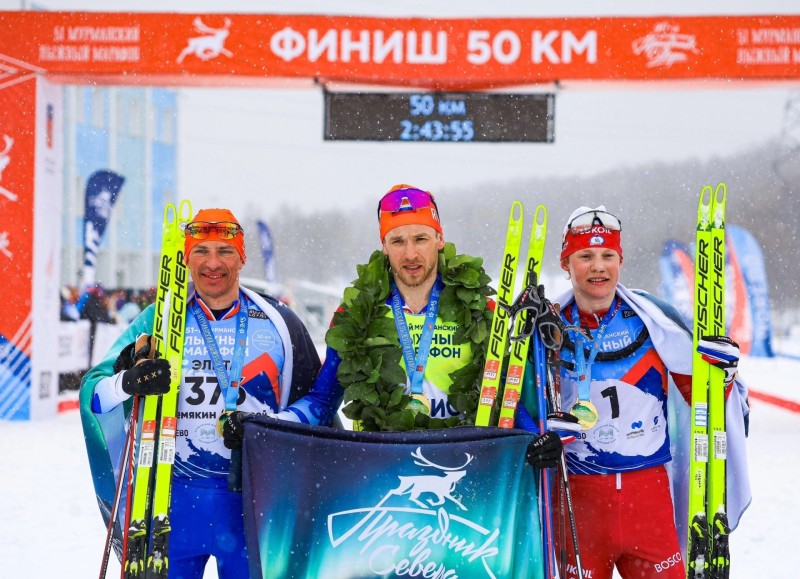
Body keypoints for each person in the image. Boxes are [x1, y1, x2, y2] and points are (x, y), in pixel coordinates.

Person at [224, 184, 562, 467]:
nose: (410, 254)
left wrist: (538, 439)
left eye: (421, 238)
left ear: (440, 239)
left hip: (464, 468)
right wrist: (263, 425)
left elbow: (504, 396)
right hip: (383, 472)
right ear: (384, 247)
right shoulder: (357, 314)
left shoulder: (481, 309)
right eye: (398, 241)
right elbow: (322, 403)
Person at [80, 208, 324, 579]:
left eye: (225, 251)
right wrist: (127, 382)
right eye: (201, 251)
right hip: (170, 504)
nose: (213, 263)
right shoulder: (158, 319)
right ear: (186, 258)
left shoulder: (279, 321)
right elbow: (95, 396)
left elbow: (318, 404)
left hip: (254, 504)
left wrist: (264, 426)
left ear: (242, 257)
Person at [542, 205, 751, 579]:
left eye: (607, 255)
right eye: (585, 256)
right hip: (578, 502)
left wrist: (724, 376)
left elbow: (703, 403)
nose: (598, 267)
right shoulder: (548, 329)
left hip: (648, 500)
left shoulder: (654, 321)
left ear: (620, 261)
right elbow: (524, 408)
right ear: (566, 264)